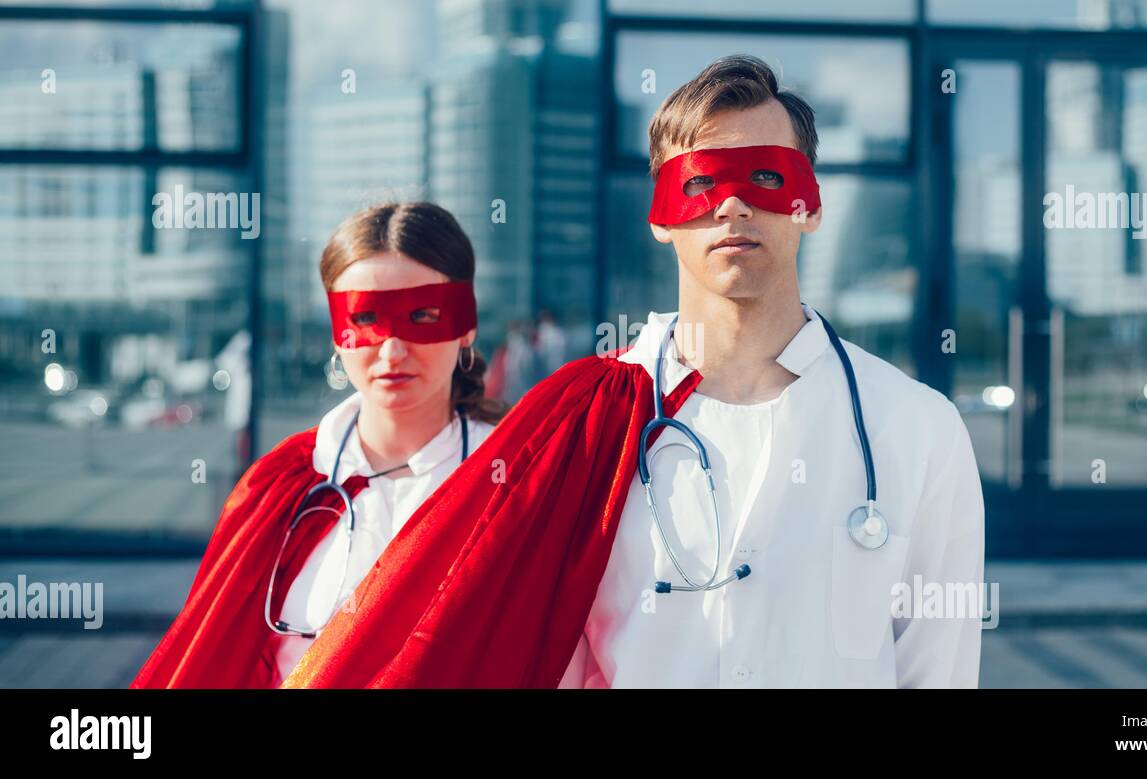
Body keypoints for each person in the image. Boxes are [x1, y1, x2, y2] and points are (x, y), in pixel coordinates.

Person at [282, 55, 984, 689]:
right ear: (658, 214)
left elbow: (939, 673)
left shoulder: (917, 430)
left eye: (767, 177)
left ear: (811, 206)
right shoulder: (581, 424)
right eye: (701, 182)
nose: (733, 205)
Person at [131, 202, 503, 688]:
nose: (392, 350)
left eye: (423, 314)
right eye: (366, 317)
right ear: (337, 335)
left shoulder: (516, 482)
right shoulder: (279, 484)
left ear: (465, 325)